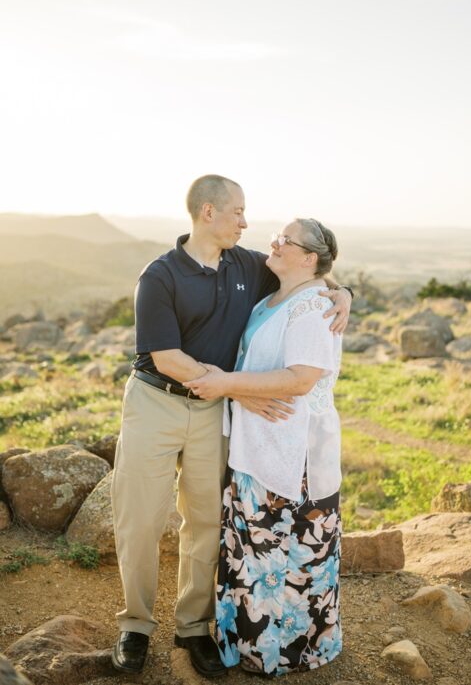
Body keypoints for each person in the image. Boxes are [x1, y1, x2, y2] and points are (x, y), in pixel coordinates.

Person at [110, 176, 352, 679]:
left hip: (212, 413)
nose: (247, 223)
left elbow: (306, 281)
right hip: (158, 401)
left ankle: (194, 628)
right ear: (207, 213)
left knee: (206, 521)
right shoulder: (160, 275)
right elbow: (166, 357)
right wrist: (236, 389)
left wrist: (342, 291)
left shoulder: (247, 265)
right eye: (238, 212)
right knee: (141, 518)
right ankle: (135, 625)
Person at [183, 217, 343, 676]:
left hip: (298, 457)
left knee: (291, 558)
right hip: (255, 445)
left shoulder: (314, 307)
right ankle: (247, 645)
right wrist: (240, 391)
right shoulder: (268, 302)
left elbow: (301, 378)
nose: (273, 241)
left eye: (285, 240)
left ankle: (289, 652)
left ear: (309, 259)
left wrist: (226, 384)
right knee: (251, 553)